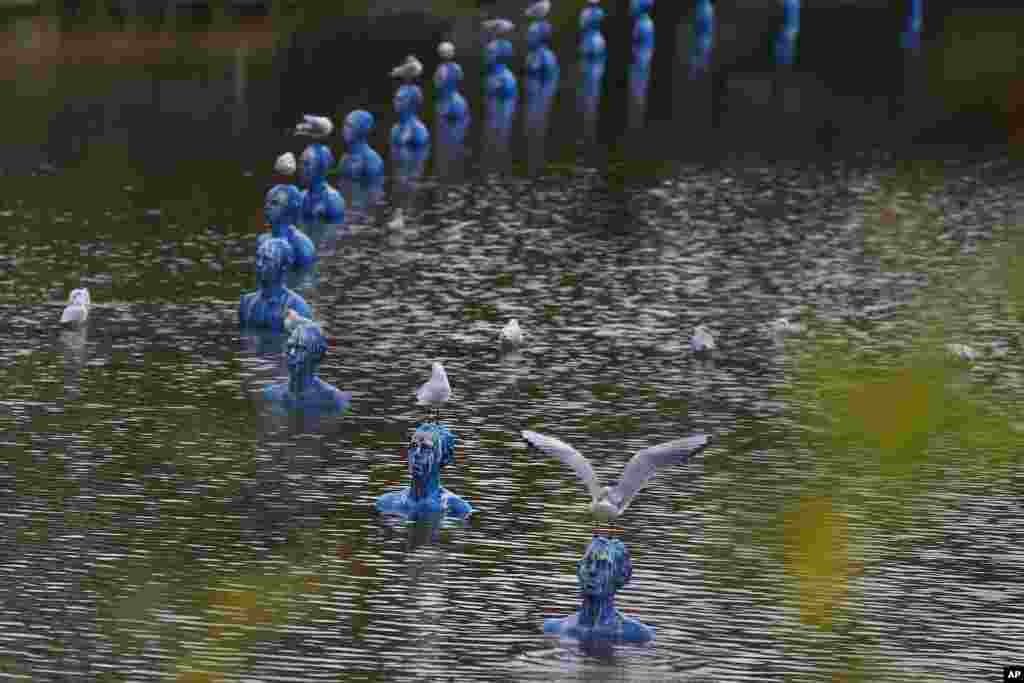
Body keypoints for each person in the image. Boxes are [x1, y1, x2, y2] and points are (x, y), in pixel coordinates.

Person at [544, 536, 655, 643]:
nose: (592, 571)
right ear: (578, 570)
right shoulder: (552, 628)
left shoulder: (637, 634)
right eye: (588, 562)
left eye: (602, 564)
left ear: (622, 576)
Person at [376, 422, 473, 519]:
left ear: (445, 458)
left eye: (425, 448)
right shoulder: (386, 502)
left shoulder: (456, 508)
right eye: (413, 446)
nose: (417, 454)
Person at [264, 316, 351, 413]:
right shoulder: (272, 392)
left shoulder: (333, 399)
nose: (292, 353)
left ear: (317, 355)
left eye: (300, 348)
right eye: (289, 347)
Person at [238, 237, 311, 332]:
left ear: (284, 267)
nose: (259, 264)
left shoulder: (298, 307)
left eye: (266, 260)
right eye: (258, 257)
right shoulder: (246, 303)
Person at [258, 184, 316, 269]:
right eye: (267, 202)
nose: (267, 207)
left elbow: (305, 278)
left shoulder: (302, 246)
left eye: (274, 203)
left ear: (289, 210)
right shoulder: (262, 240)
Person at [298, 143, 345, 228]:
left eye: (306, 164)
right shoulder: (301, 197)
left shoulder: (333, 200)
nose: (300, 167)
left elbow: (334, 237)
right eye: (300, 163)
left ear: (320, 169)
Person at [337, 110, 385, 181]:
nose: (344, 129)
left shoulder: (372, 160)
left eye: (350, 126)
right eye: (345, 124)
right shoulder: (344, 158)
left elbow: (375, 190)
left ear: (363, 129)